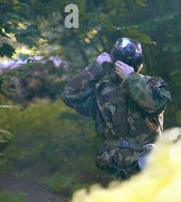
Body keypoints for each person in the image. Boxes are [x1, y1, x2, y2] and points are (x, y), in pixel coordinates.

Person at [62, 38, 172, 179]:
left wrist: (130, 78)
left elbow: (153, 105)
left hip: (146, 167)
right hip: (112, 166)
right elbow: (69, 95)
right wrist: (95, 69)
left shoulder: (154, 84)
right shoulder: (100, 90)